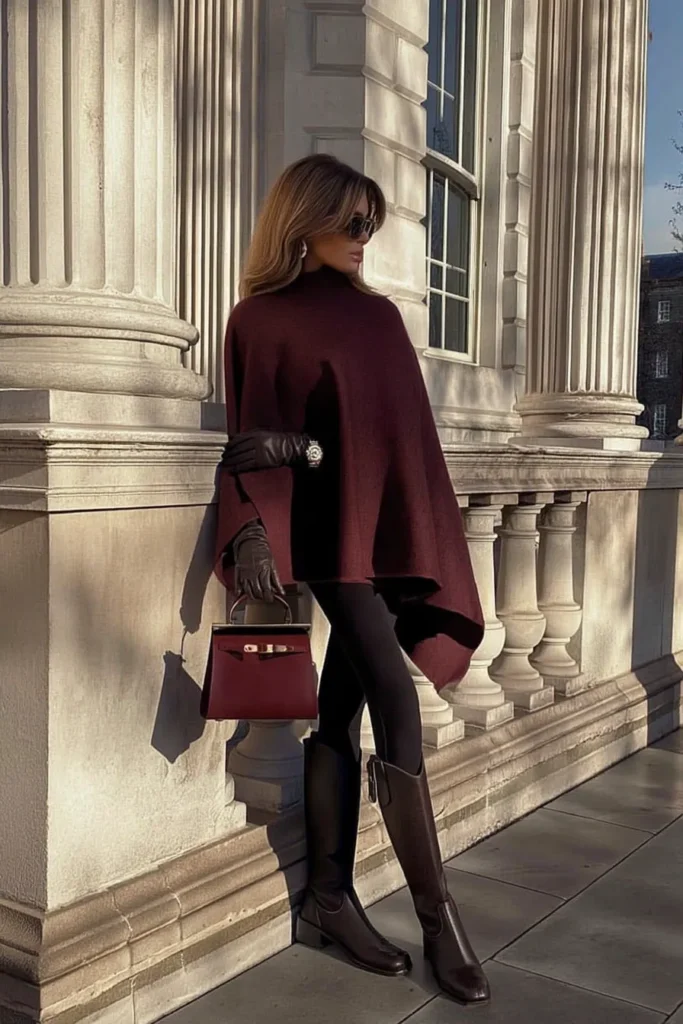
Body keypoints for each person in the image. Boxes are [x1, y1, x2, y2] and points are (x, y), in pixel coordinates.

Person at [215, 154, 489, 1006]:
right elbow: (249, 438)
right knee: (396, 701)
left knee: (340, 713)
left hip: (375, 537)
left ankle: (328, 897)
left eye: (372, 222)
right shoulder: (257, 320)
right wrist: (260, 513)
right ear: (306, 222)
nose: (365, 238)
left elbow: (405, 440)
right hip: (326, 542)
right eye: (351, 222)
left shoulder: (381, 320)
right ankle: (436, 916)